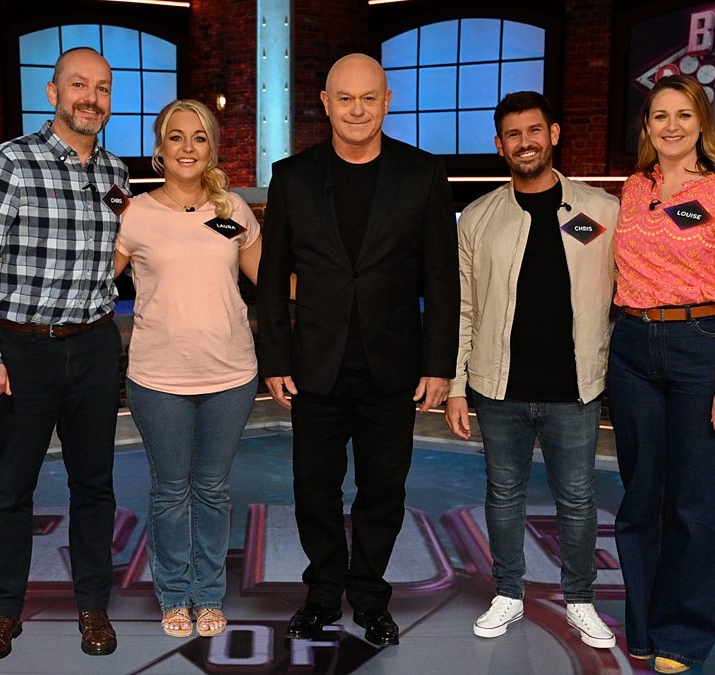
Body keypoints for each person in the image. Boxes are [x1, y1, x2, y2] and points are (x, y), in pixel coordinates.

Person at [255, 53, 459, 647]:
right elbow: (272, 277)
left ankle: (370, 597)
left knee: (383, 490)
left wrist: (439, 364)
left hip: (394, 365)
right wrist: (275, 359)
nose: (357, 110)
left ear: (387, 101)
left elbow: (441, 277)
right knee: (313, 489)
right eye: (345, 98)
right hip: (314, 366)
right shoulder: (292, 176)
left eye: (369, 98)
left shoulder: (423, 173)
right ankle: (322, 594)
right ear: (325, 103)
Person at [0, 46, 124, 661]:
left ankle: (93, 606)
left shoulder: (116, 173)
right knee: (11, 488)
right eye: (78, 85)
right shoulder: (10, 162)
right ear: (53, 93)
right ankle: (5, 612)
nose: (90, 98)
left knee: (95, 486)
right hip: (21, 350)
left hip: (95, 345)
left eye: (101, 88)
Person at [444, 91, 619, 648]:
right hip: (498, 387)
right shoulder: (477, 218)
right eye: (514, 134)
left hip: (576, 387)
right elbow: (463, 308)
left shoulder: (602, 211)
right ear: (500, 145)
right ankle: (508, 593)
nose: (526, 142)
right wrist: (455, 387)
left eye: (534, 130)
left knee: (578, 500)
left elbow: (631, 289)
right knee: (503, 494)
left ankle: (580, 600)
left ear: (554, 134)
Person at [609, 74, 715, 674]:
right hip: (632, 348)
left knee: (696, 505)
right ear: (647, 127)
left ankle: (683, 634)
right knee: (641, 501)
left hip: (705, 348)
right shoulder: (634, 190)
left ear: (702, 122)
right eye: (659, 116)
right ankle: (644, 626)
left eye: (683, 114)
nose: (671, 126)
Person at [114, 99, 262, 639]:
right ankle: (175, 594)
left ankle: (210, 593)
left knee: (213, 490)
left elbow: (271, 279)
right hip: (158, 378)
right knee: (171, 491)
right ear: (160, 146)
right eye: (176, 137)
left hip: (231, 374)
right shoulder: (133, 213)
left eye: (199, 138)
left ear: (212, 148)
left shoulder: (232, 210)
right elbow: (91, 284)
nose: (187, 148)